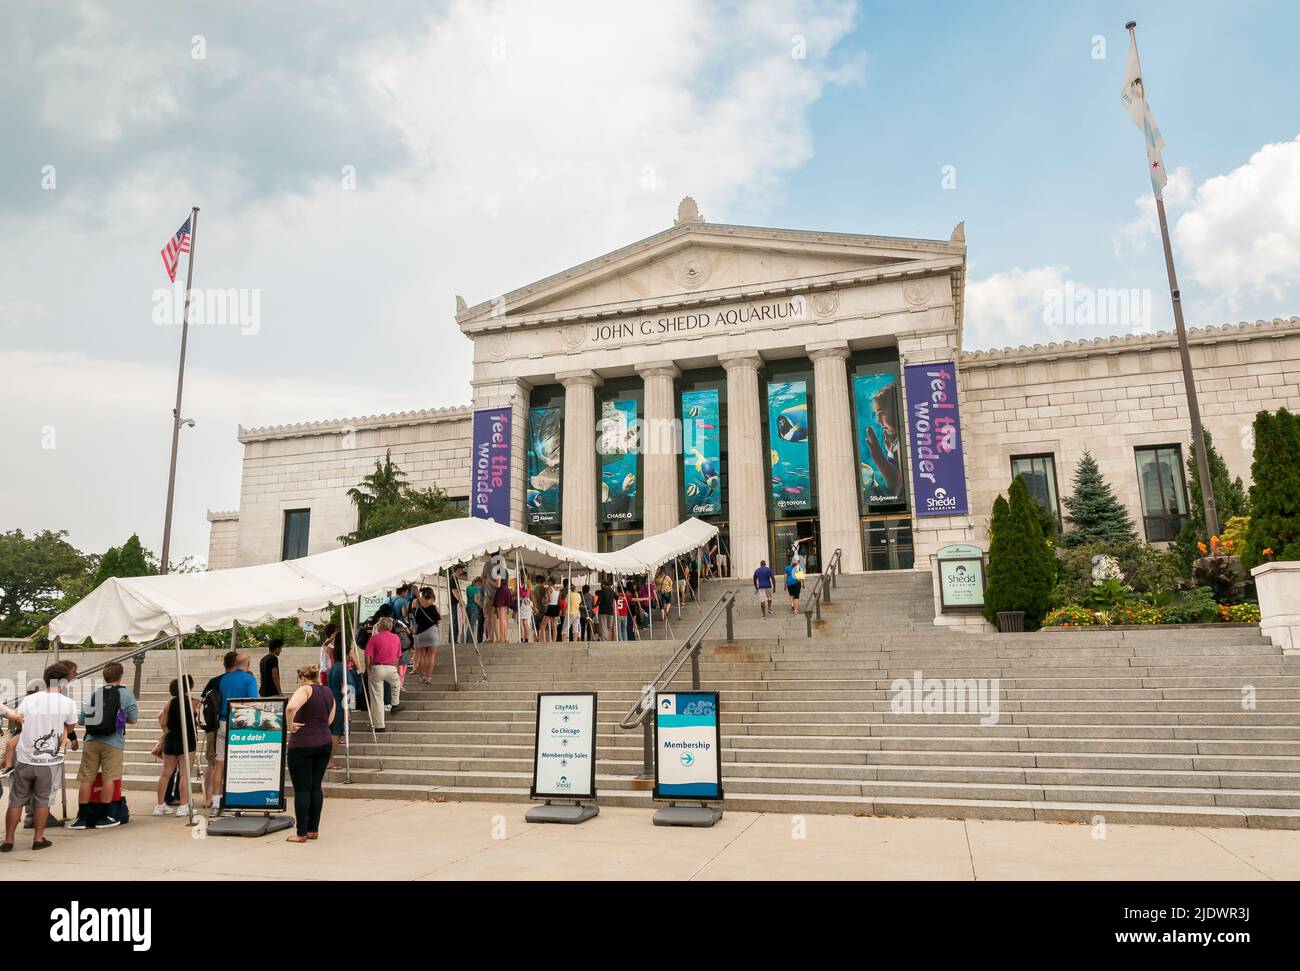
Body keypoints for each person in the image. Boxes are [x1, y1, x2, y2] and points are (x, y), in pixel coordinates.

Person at [2, 664, 77, 853]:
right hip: (49, 762)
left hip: (25, 758)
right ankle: (38, 838)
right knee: (43, 801)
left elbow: (18, 718)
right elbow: (71, 726)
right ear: (63, 681)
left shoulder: (29, 699)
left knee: (16, 800)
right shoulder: (67, 703)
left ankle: (8, 840)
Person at [70, 661, 138, 830]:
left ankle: (83, 818)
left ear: (104, 676)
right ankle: (106, 816)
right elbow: (133, 719)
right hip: (113, 742)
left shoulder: (94, 693)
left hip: (91, 740)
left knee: (87, 778)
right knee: (110, 778)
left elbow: (81, 719)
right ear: (121, 676)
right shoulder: (126, 694)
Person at [285, 665, 336, 843]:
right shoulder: (328, 692)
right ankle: (313, 829)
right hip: (324, 742)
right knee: (316, 786)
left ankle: (301, 833)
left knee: (302, 789)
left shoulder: (305, 689)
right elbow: (330, 719)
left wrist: (290, 724)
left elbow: (291, 707)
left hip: (302, 744)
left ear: (302, 677)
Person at [209, 651, 259, 816]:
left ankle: (216, 803)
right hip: (240, 722)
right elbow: (254, 702)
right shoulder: (249, 679)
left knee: (220, 764)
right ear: (247, 663)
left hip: (222, 722)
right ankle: (237, 802)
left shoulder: (224, 679)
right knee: (239, 765)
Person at [153, 675, 198, 817]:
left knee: (165, 773)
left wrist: (167, 732)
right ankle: (183, 805)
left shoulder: (170, 703)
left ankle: (160, 805)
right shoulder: (194, 702)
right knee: (185, 773)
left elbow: (162, 721)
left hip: (171, 739)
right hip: (187, 739)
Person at [365, 617, 401, 731]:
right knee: (396, 684)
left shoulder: (374, 638)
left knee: (377, 698)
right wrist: (395, 667)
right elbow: (398, 656)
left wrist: (368, 669)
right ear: (390, 627)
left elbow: (367, 656)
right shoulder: (396, 638)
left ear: (379, 626)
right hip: (391, 668)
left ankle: (379, 726)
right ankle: (395, 703)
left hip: (377, 668)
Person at [327, 645, 361, 768]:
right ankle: (329, 760)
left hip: (333, 703)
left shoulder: (333, 668)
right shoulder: (342, 669)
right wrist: (348, 708)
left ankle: (328, 759)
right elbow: (346, 688)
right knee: (337, 732)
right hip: (341, 704)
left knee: (334, 732)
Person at [411, 586, 441, 683]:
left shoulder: (416, 605)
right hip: (432, 632)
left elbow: (413, 617)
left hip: (420, 633)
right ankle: (428, 677)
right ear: (432, 597)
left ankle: (421, 677)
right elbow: (439, 620)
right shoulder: (434, 607)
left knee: (422, 656)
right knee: (431, 656)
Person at [518, 577, 535, 643]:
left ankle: (522, 638)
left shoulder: (519, 583)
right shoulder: (529, 583)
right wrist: (533, 606)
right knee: (526, 623)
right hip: (528, 603)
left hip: (521, 603)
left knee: (521, 623)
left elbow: (515, 593)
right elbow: (532, 596)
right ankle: (526, 639)